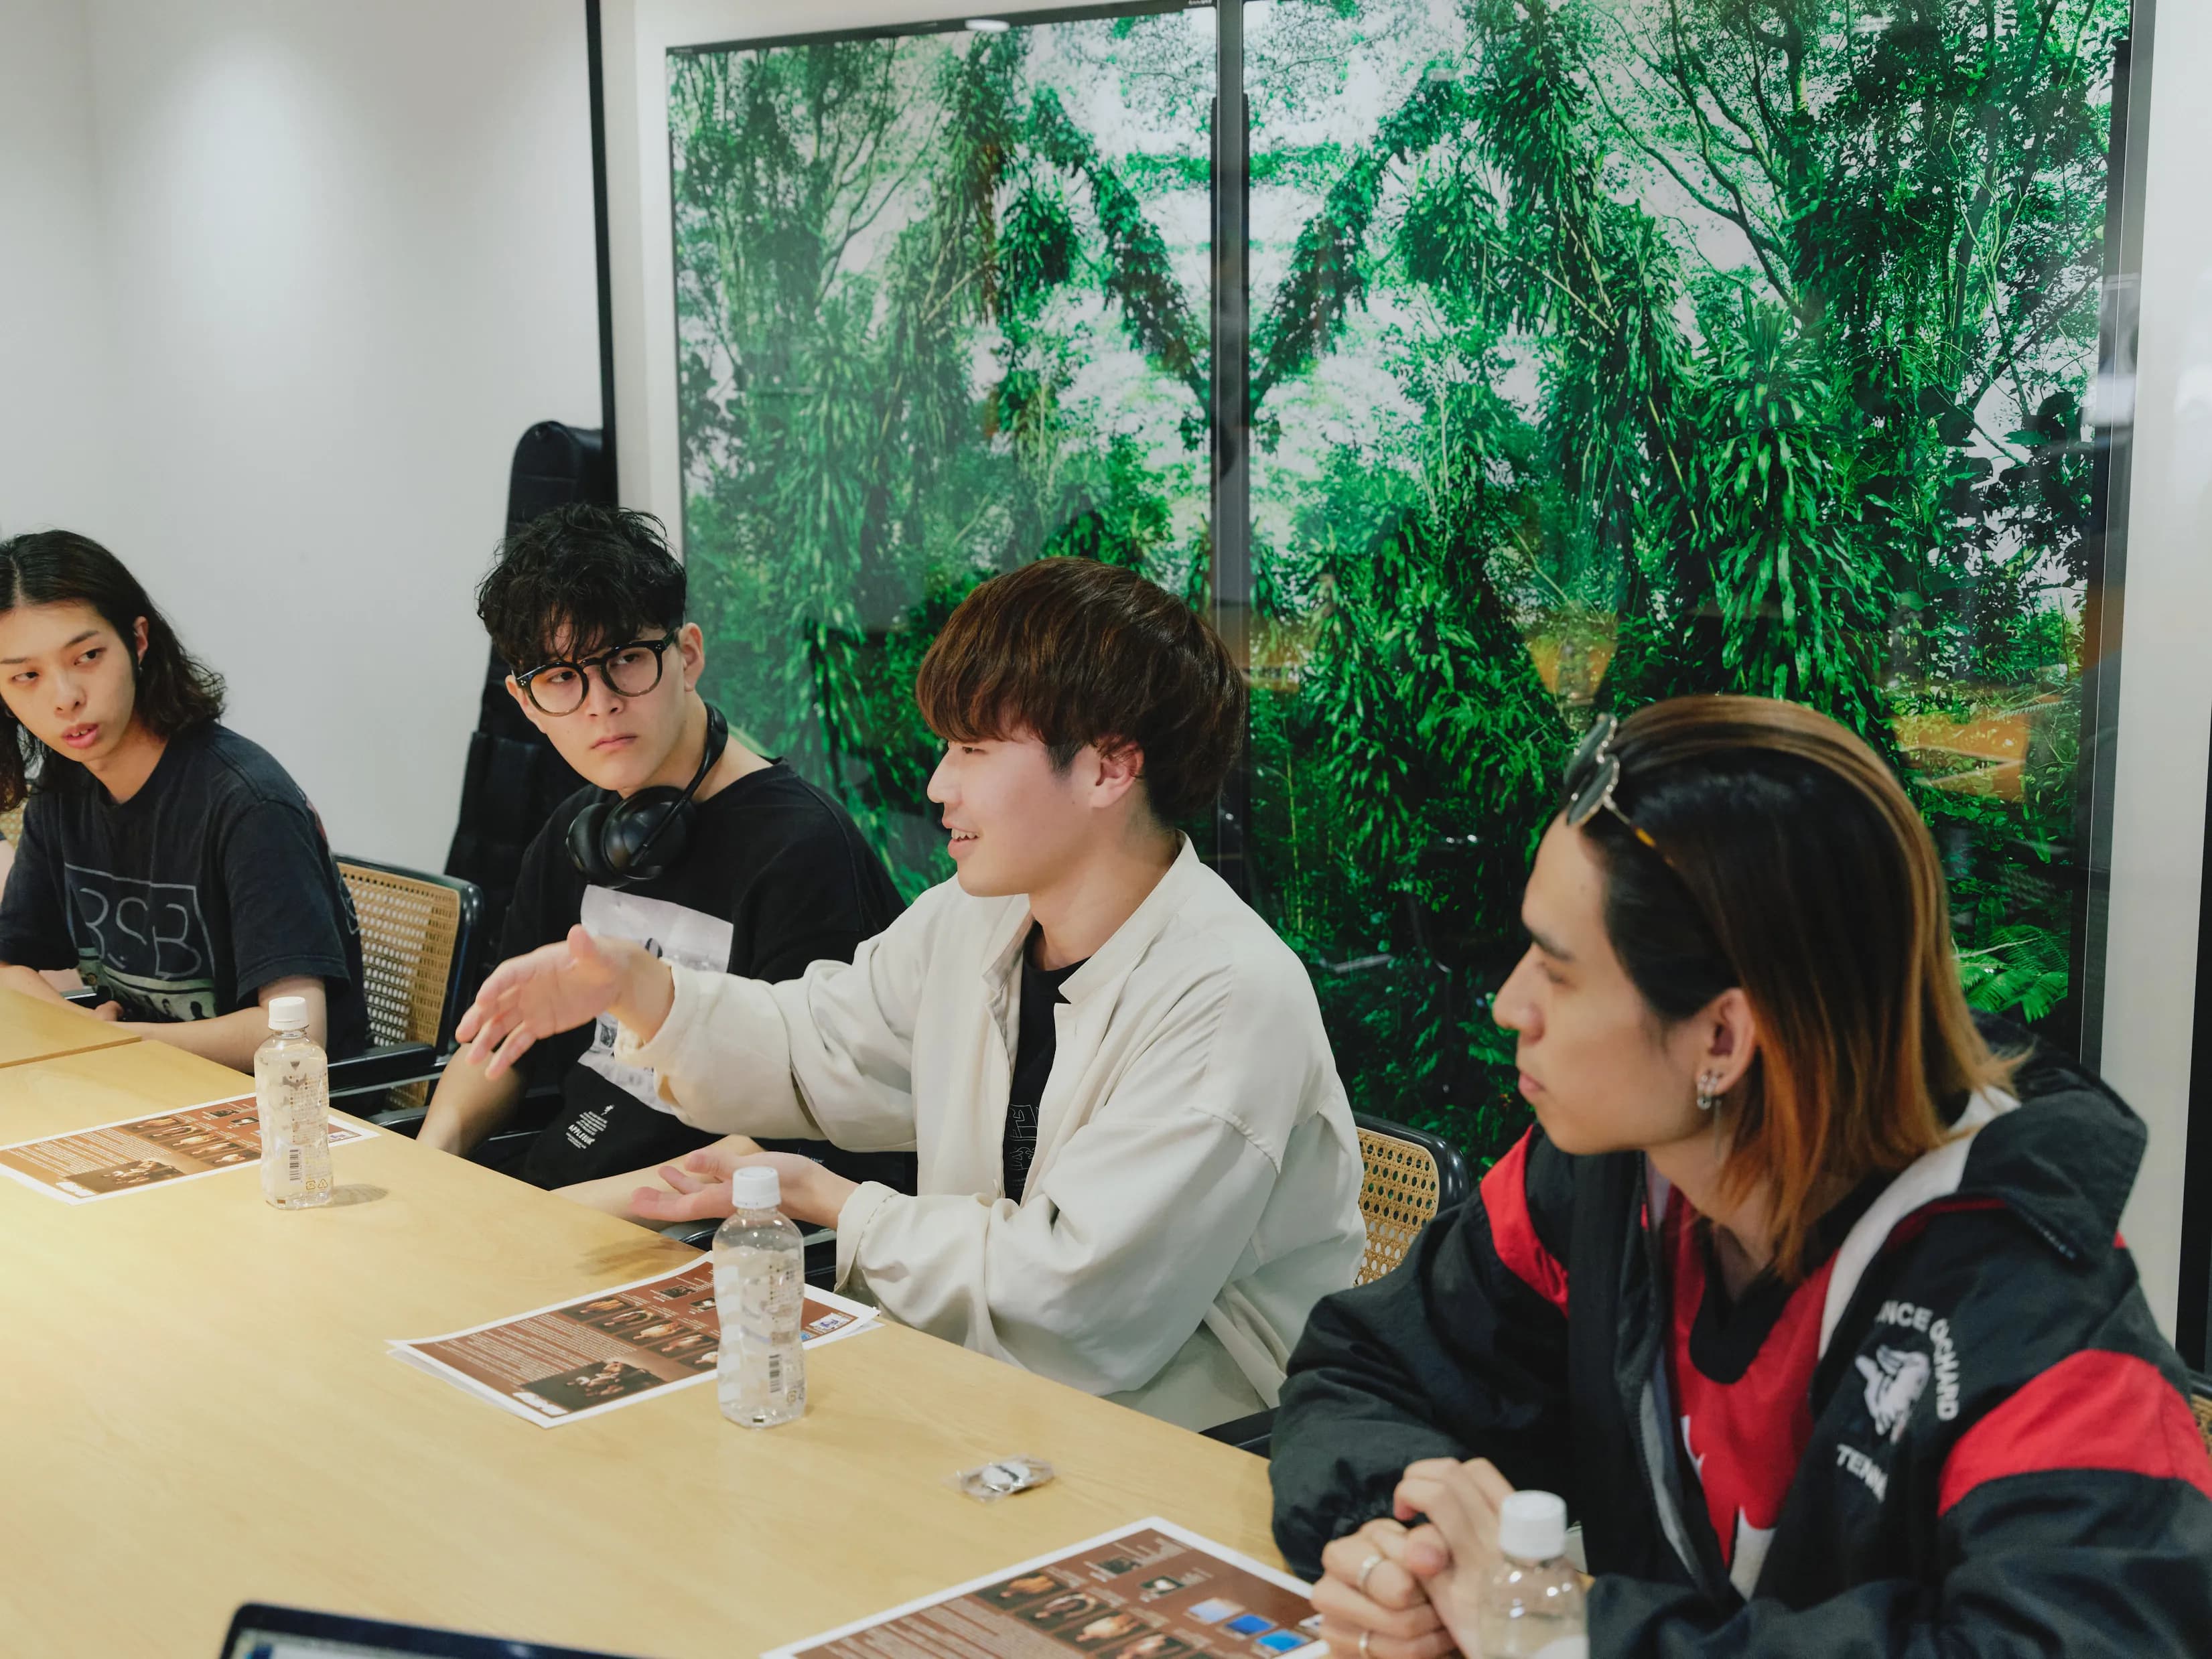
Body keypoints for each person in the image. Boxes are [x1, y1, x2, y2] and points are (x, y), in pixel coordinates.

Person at [1269, 697, 2212, 1658]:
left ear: (1721, 1037)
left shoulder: (2026, 1291)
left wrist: (1566, 1634)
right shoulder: (1604, 1176)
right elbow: (1367, 1369)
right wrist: (1402, 1551)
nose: (1510, 1004)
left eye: (1556, 970)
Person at [454, 555, 1367, 1429]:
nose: (938, 785)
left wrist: (836, 1202)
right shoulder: (974, 919)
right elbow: (821, 1045)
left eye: (972, 749)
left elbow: (1077, 1301)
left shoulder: (1229, 998)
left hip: (1176, 1438)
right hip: (974, 1383)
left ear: (1106, 768)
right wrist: (643, 990)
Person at [415, 504, 910, 1194]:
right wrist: (428, 1163)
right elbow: (501, 1044)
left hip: (702, 1227)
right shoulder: (572, 832)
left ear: (688, 656)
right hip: (559, 1197)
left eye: (624, 660)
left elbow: (798, 1132)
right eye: (560, 678)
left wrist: (560, 1213)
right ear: (525, 703)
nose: (599, 704)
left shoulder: (802, 849)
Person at [0, 530, 368, 1066]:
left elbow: (297, 1033)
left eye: (88, 656)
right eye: (26, 676)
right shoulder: (65, 786)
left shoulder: (248, 802)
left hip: (279, 1106)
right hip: (143, 1084)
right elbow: (10, 965)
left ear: (138, 640)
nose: (65, 698)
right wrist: (82, 1030)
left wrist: (116, 1042)